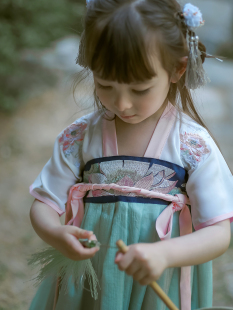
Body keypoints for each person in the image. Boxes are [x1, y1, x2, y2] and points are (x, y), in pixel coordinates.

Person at [28, 0, 233, 309]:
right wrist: (56, 233)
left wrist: (164, 254)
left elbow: (218, 232)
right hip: (89, 283)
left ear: (177, 68)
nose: (122, 104)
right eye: (105, 84)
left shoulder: (193, 144)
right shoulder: (81, 136)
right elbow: (43, 203)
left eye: (139, 90)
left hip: (157, 283)